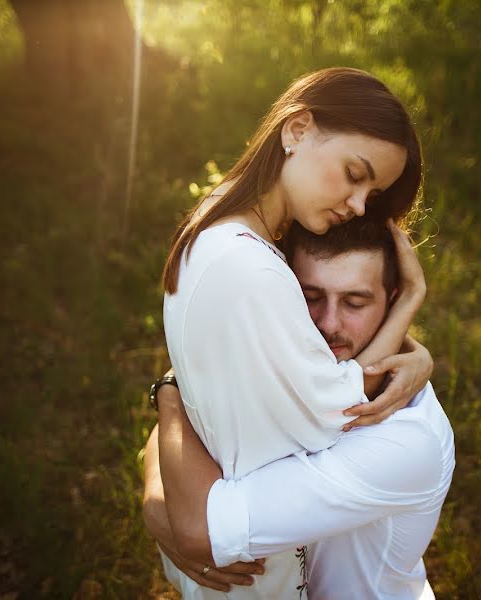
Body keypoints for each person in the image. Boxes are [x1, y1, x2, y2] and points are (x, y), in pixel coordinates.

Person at [157, 67, 432, 598]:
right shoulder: (251, 269)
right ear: (297, 129)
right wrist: (412, 303)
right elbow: (338, 412)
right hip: (250, 576)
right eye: (355, 174)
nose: (358, 204)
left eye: (372, 193)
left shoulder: (220, 228)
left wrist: (415, 352)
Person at [145, 220, 455, 599]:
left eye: (355, 302)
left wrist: (171, 391)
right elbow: (187, 427)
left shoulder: (405, 442)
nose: (329, 324)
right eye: (311, 297)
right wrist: (156, 504)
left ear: (392, 301)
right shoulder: (296, 370)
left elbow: (204, 529)